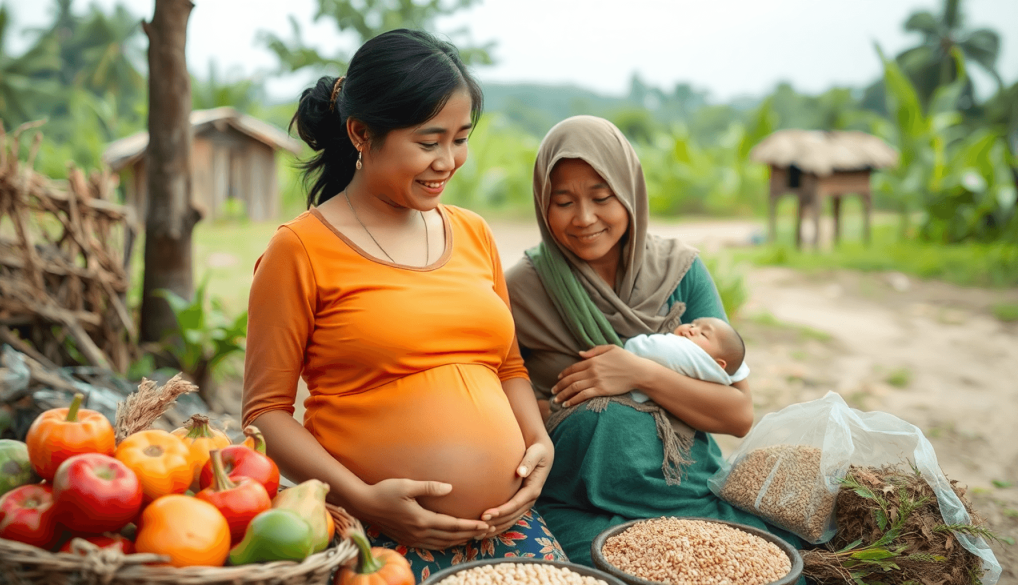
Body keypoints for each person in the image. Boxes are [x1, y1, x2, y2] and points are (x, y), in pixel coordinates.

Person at [241, 29, 565, 582]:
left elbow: (507, 366)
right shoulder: (300, 249)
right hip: (374, 537)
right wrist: (364, 498)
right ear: (361, 133)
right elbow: (265, 414)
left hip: (506, 527)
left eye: (460, 139)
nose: (449, 161)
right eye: (428, 141)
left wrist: (538, 444)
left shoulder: (473, 232)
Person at [505, 115, 803, 568]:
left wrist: (639, 373)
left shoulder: (680, 271)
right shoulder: (522, 290)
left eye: (602, 198)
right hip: (577, 503)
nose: (584, 218)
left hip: (687, 492)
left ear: (629, 192)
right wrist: (562, 411)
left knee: (757, 568)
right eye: (563, 201)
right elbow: (502, 404)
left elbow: (738, 414)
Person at [624, 317, 748, 404]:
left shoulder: (693, 357)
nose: (692, 329)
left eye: (704, 334)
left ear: (718, 364)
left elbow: (642, 348)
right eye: (693, 324)